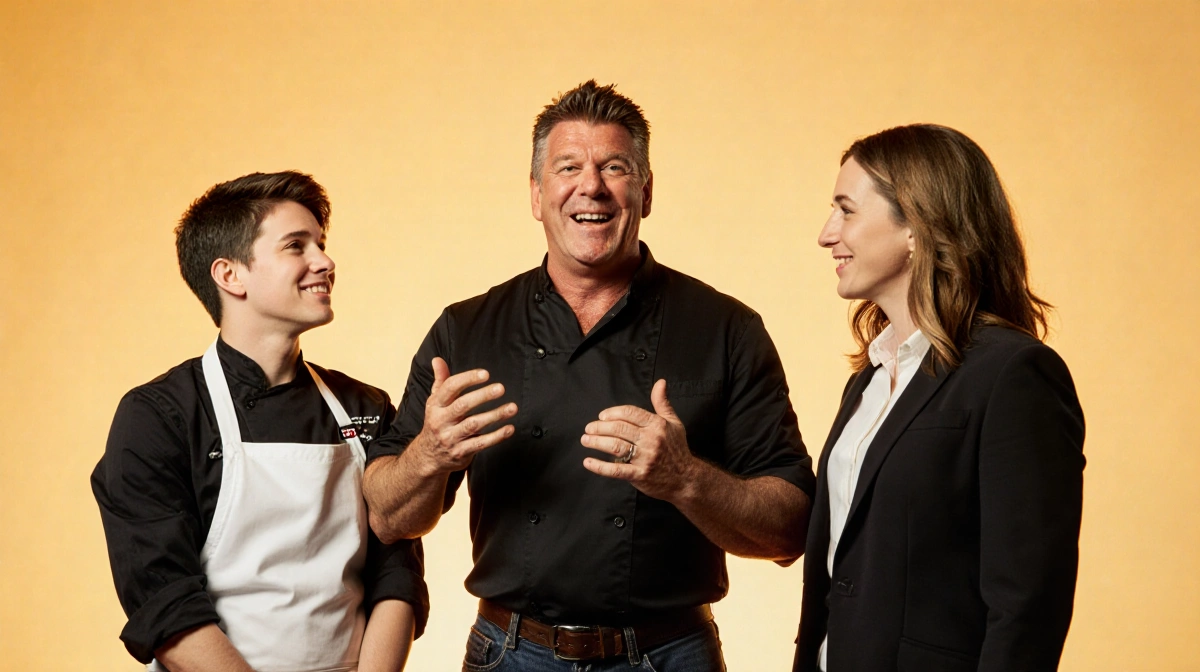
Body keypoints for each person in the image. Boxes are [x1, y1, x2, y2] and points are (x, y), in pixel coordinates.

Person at [363, 80, 814, 671]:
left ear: (646, 192)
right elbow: (387, 517)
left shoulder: (726, 329)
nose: (591, 186)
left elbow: (790, 528)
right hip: (510, 655)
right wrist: (429, 455)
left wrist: (685, 479)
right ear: (536, 194)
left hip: (669, 655)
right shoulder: (465, 330)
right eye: (568, 167)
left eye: (615, 168)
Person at [91, 171, 429, 671]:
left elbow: (397, 575)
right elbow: (164, 604)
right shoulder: (158, 417)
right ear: (230, 275)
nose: (325, 261)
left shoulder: (365, 405)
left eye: (321, 244)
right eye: (296, 246)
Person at [793, 124, 1086, 672]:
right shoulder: (869, 379)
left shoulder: (1014, 375)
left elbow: (1027, 609)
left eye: (846, 211)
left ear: (915, 225)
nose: (826, 235)